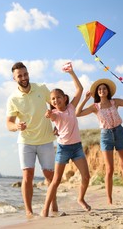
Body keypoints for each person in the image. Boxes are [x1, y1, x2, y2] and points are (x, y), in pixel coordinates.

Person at [76, 77, 123, 205]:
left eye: (104, 88)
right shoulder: (95, 107)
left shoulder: (115, 102)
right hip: (106, 135)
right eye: (99, 89)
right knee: (109, 169)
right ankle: (109, 199)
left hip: (119, 132)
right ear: (97, 93)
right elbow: (77, 113)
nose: (102, 90)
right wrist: (86, 98)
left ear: (108, 91)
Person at [6, 62, 58, 216]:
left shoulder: (41, 88)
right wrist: (17, 126)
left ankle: (53, 206)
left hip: (46, 139)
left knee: (49, 175)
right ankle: (29, 211)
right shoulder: (13, 99)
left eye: (25, 74)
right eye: (19, 76)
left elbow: (55, 105)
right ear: (14, 78)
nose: (24, 77)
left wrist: (57, 121)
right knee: (27, 175)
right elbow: (8, 124)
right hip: (26, 141)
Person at [41, 62, 91, 217]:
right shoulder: (56, 114)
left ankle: (81, 199)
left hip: (76, 147)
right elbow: (52, 116)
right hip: (63, 149)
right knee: (56, 180)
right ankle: (45, 209)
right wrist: (49, 115)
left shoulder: (71, 107)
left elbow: (80, 89)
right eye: (53, 99)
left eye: (58, 97)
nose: (56, 100)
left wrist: (71, 73)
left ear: (64, 98)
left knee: (86, 176)